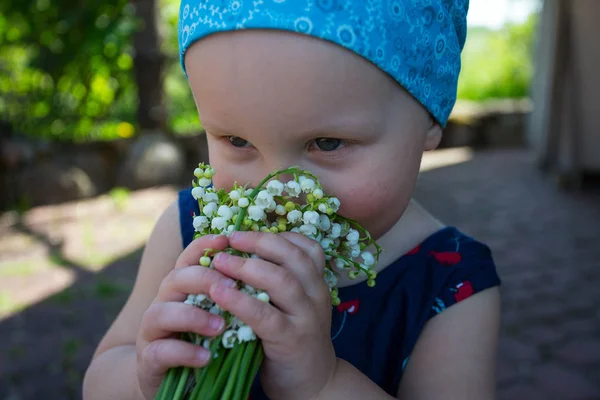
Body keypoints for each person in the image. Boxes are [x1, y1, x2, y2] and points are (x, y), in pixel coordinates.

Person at [83, 1, 501, 399]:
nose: (278, 192)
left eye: (328, 142)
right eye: (237, 140)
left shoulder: (452, 286)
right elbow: (101, 376)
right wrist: (143, 379)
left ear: (430, 117)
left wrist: (322, 386)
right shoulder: (187, 233)